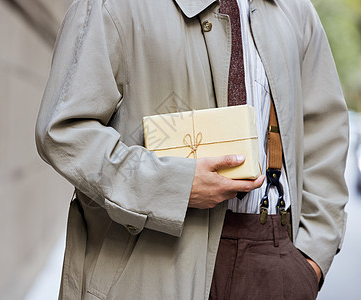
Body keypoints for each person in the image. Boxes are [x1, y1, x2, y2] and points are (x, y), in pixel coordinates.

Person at [35, 0, 349, 299]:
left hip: (274, 261)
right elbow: (64, 131)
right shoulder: (113, 5)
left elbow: (325, 131)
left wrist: (312, 259)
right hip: (151, 261)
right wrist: (175, 186)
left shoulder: (296, 10)